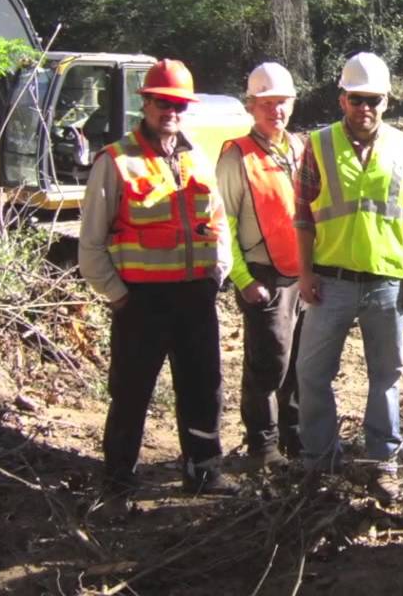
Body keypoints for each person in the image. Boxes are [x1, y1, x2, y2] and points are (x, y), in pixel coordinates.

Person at [79, 59, 237, 505]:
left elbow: (219, 223)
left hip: (195, 297)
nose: (171, 111)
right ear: (145, 103)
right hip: (141, 302)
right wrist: (118, 295)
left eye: (178, 104)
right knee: (131, 393)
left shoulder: (197, 158)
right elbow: (90, 244)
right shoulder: (116, 161)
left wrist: (215, 276)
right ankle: (118, 482)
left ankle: (203, 472)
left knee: (204, 386)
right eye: (162, 102)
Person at [293, 52, 403, 505]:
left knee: (386, 377)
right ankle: (319, 461)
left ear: (387, 101)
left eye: (373, 99)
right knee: (312, 374)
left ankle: (382, 462)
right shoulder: (319, 145)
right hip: (330, 282)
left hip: (386, 283)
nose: (364, 108)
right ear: (342, 100)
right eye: (357, 99)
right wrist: (306, 271)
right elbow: (303, 216)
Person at [216, 62, 305, 470]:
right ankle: (263, 447)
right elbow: (223, 224)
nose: (276, 111)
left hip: (303, 274)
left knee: (302, 365)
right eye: (267, 103)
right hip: (262, 274)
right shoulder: (237, 156)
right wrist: (243, 278)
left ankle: (297, 440)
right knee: (269, 363)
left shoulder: (300, 149)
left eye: (282, 102)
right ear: (251, 106)